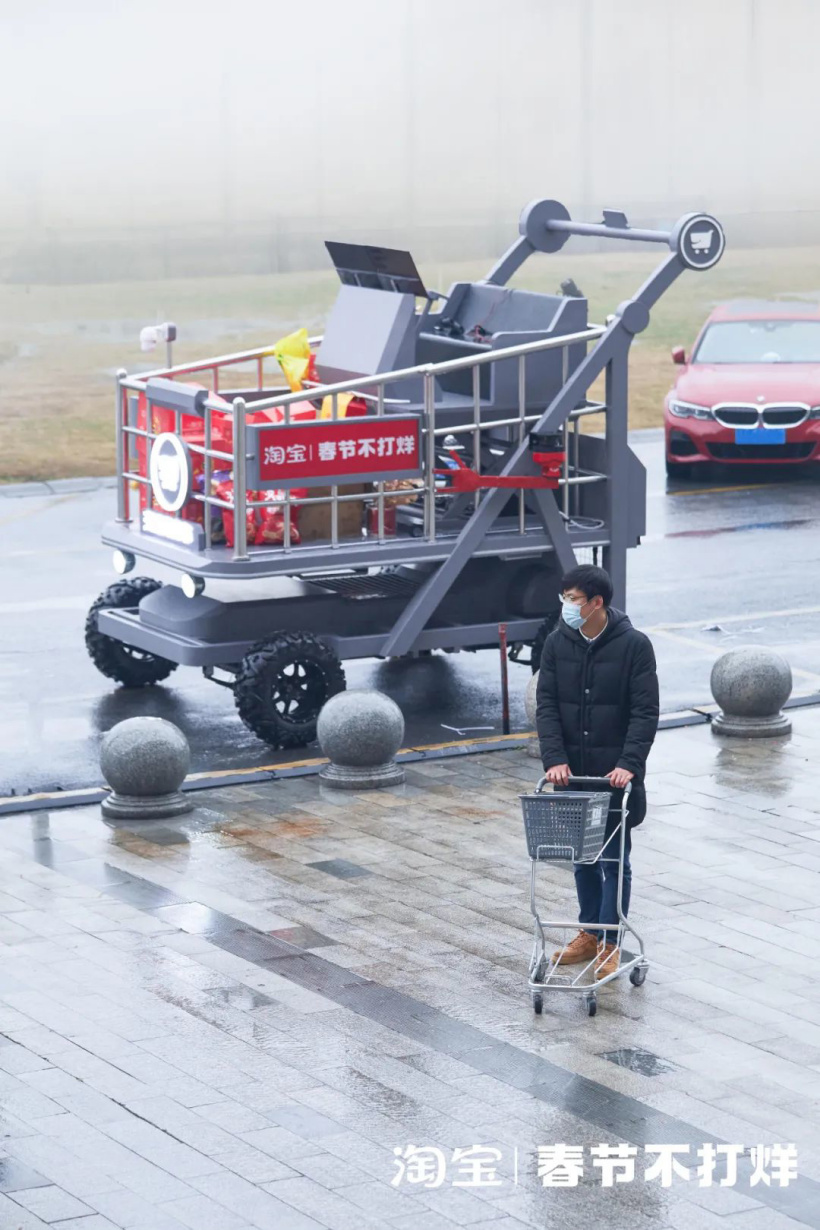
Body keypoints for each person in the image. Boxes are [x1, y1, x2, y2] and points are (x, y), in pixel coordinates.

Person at [535, 564, 659, 980]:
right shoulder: (557, 643)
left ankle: (610, 942)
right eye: (565, 598)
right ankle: (589, 932)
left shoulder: (634, 646)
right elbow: (547, 705)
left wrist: (628, 765)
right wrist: (554, 758)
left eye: (573, 599)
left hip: (614, 779)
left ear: (596, 602)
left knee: (614, 860)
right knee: (582, 859)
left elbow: (645, 712)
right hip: (571, 776)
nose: (566, 606)